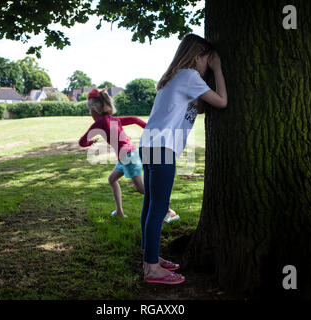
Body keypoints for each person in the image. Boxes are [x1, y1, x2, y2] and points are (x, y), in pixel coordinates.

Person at [139, 33, 228, 285]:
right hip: (163, 147)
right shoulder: (189, 76)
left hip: (150, 145)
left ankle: (149, 260)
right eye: (206, 60)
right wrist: (218, 69)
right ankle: (153, 270)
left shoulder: (174, 77)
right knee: (158, 209)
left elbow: (199, 107)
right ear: (197, 56)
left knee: (149, 207)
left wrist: (207, 74)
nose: (208, 64)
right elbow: (221, 102)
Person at [78, 88, 179, 221]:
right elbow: (135, 119)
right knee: (112, 179)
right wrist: (148, 127)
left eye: (89, 110)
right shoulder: (114, 120)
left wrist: (89, 143)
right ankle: (119, 212)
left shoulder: (99, 123)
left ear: (95, 109)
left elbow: (81, 142)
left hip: (128, 157)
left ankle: (168, 211)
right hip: (125, 157)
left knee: (142, 189)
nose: (90, 113)